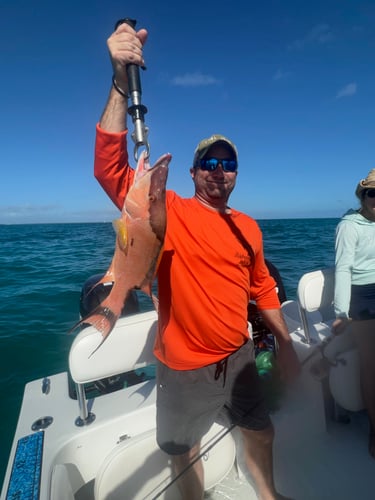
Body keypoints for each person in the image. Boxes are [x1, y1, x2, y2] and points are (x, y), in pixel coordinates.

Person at [94, 22, 300, 500]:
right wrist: (120, 85)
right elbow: (110, 169)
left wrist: (286, 344)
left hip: (241, 356)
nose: (219, 171)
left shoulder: (249, 226)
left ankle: (268, 495)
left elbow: (264, 288)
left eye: (228, 163)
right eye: (209, 163)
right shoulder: (170, 211)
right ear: (192, 172)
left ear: (236, 174)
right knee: (183, 452)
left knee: (261, 432)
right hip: (183, 368)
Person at [332, 169, 375, 459]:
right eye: (373, 193)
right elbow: (343, 268)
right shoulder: (350, 225)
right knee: (372, 364)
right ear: (363, 196)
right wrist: (341, 311)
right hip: (363, 296)